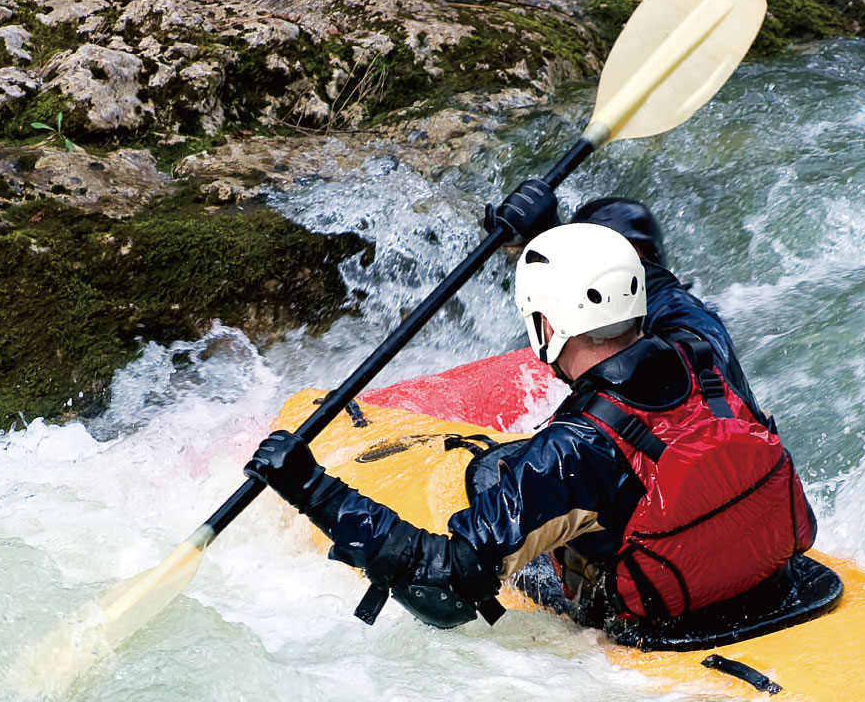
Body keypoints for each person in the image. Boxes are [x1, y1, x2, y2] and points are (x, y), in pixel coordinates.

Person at [244, 182, 817, 636]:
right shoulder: (702, 339)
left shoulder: (569, 453)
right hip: (775, 576)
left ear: (546, 325)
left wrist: (314, 490)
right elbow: (643, 257)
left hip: (658, 616)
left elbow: (444, 594)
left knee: (492, 472)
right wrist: (556, 236)